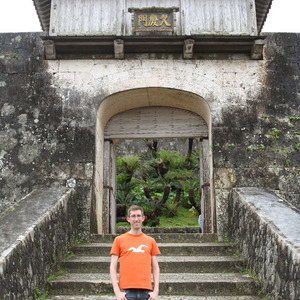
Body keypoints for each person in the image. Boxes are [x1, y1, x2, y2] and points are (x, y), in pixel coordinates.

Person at [110, 205, 160, 300]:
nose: (136, 219)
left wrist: (156, 291)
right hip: (126, 292)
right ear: (128, 219)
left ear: (143, 218)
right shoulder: (119, 240)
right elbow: (112, 267)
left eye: (138, 216)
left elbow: (156, 267)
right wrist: (117, 292)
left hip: (147, 292)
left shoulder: (150, 241)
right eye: (133, 216)